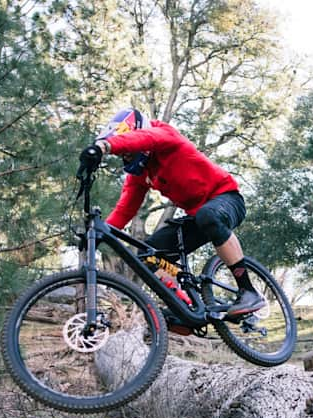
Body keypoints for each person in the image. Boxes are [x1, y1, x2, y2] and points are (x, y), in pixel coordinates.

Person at [79, 107, 264, 316]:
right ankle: (185, 308)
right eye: (124, 155)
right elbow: (124, 209)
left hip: (226, 199)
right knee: (149, 254)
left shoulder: (165, 135)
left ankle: (248, 290)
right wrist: (99, 234)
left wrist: (104, 146)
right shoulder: (140, 174)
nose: (126, 157)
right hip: (198, 216)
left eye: (128, 152)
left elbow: (147, 138)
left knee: (208, 215)